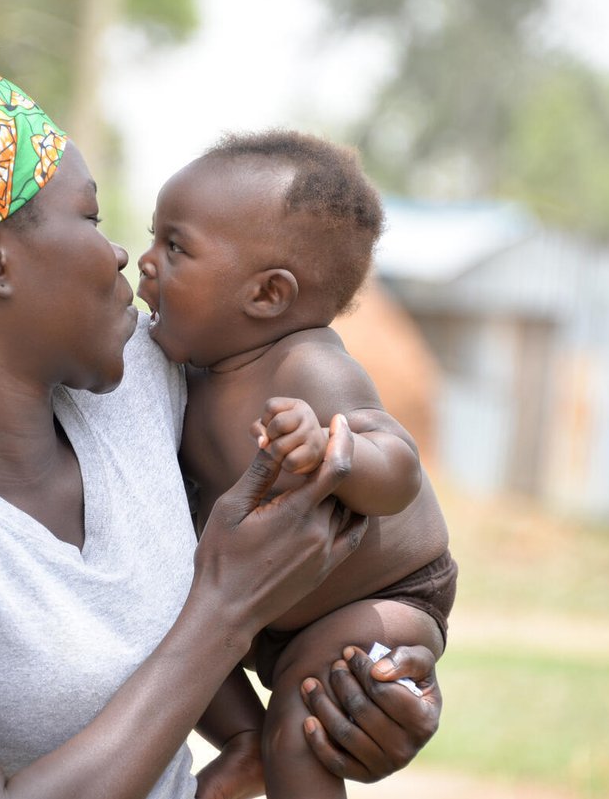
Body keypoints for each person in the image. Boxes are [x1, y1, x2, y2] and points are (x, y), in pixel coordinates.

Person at [0, 16, 442, 799]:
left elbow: (372, 539)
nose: (123, 254)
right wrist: (222, 608)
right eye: (89, 216)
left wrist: (376, 689)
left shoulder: (155, 379)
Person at [137, 130, 457, 798]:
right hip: (262, 614)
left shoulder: (306, 366)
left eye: (175, 247)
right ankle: (243, 743)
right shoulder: (180, 374)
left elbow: (398, 470)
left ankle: (267, 746)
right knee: (147, 625)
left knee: (300, 731)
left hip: (379, 599)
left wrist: (332, 449)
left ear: (267, 295)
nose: (144, 262)